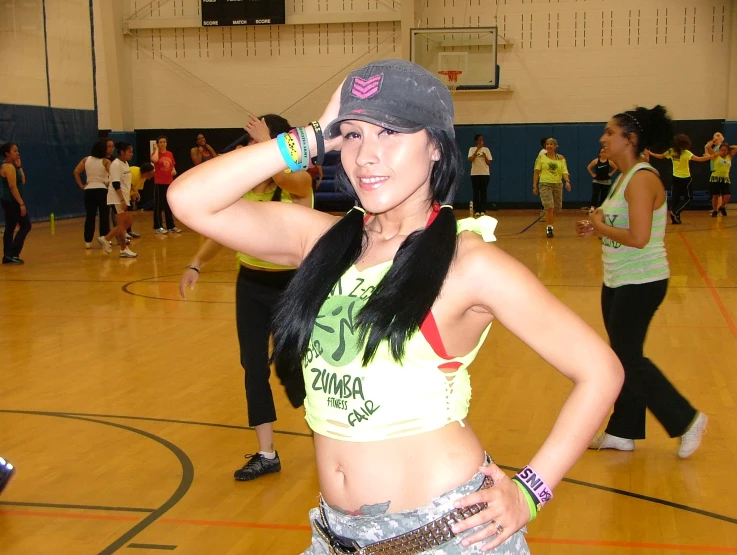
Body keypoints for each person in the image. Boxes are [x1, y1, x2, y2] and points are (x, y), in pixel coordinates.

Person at [169, 59, 623, 555]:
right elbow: (189, 200)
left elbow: (600, 371)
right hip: (334, 536)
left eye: (389, 133)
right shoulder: (320, 240)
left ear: (434, 146)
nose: (366, 155)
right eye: (354, 134)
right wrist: (312, 137)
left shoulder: (467, 262)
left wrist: (530, 492)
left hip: (446, 534)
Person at [179, 115, 314, 481]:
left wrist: (269, 143)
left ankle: (329, 441)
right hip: (251, 285)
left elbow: (295, 181)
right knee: (253, 367)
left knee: (295, 370)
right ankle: (266, 453)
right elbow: (221, 231)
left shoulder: (297, 178)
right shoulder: (246, 187)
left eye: (261, 146)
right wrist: (196, 263)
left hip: (292, 288)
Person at [576, 106, 708, 459]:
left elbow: (638, 237)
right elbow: (620, 223)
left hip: (642, 281)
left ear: (630, 139)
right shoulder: (623, 176)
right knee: (623, 358)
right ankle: (623, 431)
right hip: (618, 279)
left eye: (609, 132)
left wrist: (600, 224)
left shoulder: (642, 178)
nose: (603, 138)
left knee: (628, 358)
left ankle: (687, 419)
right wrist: (597, 225)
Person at [647, 134, 710, 224]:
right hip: (685, 179)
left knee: (675, 198)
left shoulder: (671, 151)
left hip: (675, 178)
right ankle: (676, 212)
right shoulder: (686, 153)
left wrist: (651, 153)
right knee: (689, 198)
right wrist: (711, 156)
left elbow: (660, 156)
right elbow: (699, 159)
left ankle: (675, 218)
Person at [97, 142, 138, 258]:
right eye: (129, 152)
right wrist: (122, 200)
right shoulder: (116, 165)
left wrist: (134, 190)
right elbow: (115, 184)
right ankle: (106, 239)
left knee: (128, 223)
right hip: (117, 198)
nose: (131, 154)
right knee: (122, 224)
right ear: (122, 152)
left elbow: (126, 181)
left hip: (125, 197)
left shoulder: (125, 164)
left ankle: (121, 247)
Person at [73, 139, 111, 249]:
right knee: (104, 216)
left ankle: (88, 241)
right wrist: (108, 183)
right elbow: (113, 174)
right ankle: (104, 239)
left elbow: (76, 172)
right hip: (102, 190)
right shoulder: (105, 161)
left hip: (89, 190)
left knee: (90, 216)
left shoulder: (86, 160)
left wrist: (81, 185)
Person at [1, 143, 32, 265]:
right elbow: (13, 187)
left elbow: (22, 181)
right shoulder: (8, 167)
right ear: (7, 154)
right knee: (26, 226)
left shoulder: (13, 166)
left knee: (10, 227)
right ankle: (13, 254)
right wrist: (21, 204)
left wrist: (19, 167)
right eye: (14, 151)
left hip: (11, 201)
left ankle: (7, 256)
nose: (17, 153)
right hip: (11, 201)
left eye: (17, 150)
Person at [533, 138, 571, 238]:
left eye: (551, 144)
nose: (549, 146)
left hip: (557, 184)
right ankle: (549, 228)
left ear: (555, 146)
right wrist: (534, 186)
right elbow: (536, 172)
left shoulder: (561, 158)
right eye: (547, 144)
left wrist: (567, 181)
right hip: (545, 184)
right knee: (549, 206)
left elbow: (564, 171)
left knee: (555, 208)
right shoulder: (541, 158)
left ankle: (550, 224)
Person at [151, 135, 180, 234]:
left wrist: (174, 171)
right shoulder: (155, 154)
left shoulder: (170, 154)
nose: (163, 144)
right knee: (159, 206)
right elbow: (154, 160)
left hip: (169, 182)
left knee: (168, 205)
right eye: (160, 142)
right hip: (159, 182)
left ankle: (171, 226)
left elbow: (172, 166)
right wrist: (156, 150)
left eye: (164, 142)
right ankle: (158, 227)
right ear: (158, 144)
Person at [705, 139, 736, 217]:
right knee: (715, 196)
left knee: (727, 195)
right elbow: (708, 147)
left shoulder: (729, 156)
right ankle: (715, 210)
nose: (724, 152)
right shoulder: (715, 156)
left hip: (725, 179)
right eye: (722, 150)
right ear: (719, 150)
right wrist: (714, 140)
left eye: (725, 150)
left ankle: (722, 207)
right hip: (715, 178)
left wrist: (730, 146)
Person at [586, 147, 617, 213]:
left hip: (606, 182)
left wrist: (611, 174)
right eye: (602, 152)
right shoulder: (596, 161)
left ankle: (602, 209)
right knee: (595, 194)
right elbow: (589, 167)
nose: (603, 153)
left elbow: (615, 167)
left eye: (604, 152)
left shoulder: (609, 162)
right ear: (599, 153)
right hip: (597, 181)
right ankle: (592, 208)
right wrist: (592, 174)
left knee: (604, 195)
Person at [468, 135, 492, 217]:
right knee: (476, 192)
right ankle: (477, 210)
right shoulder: (472, 149)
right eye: (479, 139)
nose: (481, 141)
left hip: (485, 173)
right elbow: (470, 159)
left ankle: (483, 210)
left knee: (483, 192)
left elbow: (489, 163)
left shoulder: (486, 150)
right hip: (475, 173)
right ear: (476, 141)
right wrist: (477, 150)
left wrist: (485, 156)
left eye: (482, 139)